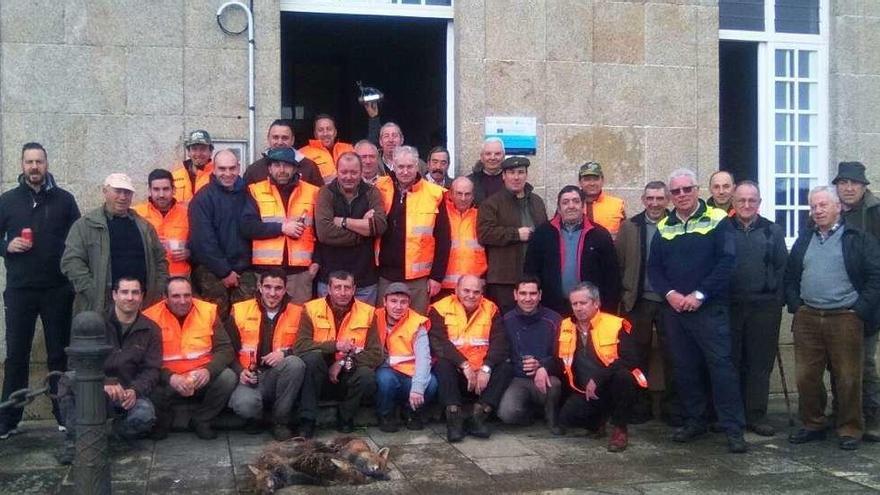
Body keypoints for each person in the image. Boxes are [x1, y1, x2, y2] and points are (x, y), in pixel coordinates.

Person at [647, 168, 747, 454]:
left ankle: (733, 428)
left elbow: (727, 262)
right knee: (685, 369)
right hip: (676, 310)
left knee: (721, 369)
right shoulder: (665, 225)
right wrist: (671, 295)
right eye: (675, 191)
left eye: (686, 189)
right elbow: (655, 268)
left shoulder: (717, 219)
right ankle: (695, 421)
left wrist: (700, 294)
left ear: (697, 189)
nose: (681, 195)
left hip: (709, 309)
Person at [785, 186, 880, 451]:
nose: (818, 211)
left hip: (845, 317)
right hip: (809, 317)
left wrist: (859, 310)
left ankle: (849, 428)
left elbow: (875, 277)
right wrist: (797, 306)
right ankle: (813, 424)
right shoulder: (805, 239)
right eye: (814, 206)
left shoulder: (857, 238)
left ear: (838, 207)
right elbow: (791, 276)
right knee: (806, 377)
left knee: (848, 376)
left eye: (823, 205)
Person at [0, 142, 80, 438]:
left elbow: (77, 239)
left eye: (39, 161)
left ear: (47, 164)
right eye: (29, 161)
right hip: (20, 290)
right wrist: (5, 245)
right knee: (17, 355)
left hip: (57, 289)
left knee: (58, 355)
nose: (34, 167)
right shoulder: (7, 201)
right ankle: (8, 419)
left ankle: (63, 414)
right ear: (22, 165)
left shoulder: (64, 200)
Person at [57, 277, 162, 464]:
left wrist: (134, 390)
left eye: (135, 292)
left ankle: (111, 435)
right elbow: (75, 363)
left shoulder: (151, 329)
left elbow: (152, 369)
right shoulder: (94, 324)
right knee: (67, 380)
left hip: (127, 395)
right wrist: (103, 383)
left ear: (142, 297)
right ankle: (74, 441)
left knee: (145, 416)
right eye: (124, 292)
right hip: (93, 389)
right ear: (114, 295)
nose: (129, 297)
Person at [548, 282, 643, 452]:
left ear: (596, 303)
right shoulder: (566, 326)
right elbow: (557, 359)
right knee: (567, 418)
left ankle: (620, 429)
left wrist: (598, 378)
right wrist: (542, 367)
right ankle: (599, 421)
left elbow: (631, 359)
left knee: (624, 377)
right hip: (585, 391)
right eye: (574, 304)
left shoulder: (615, 324)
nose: (578, 308)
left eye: (583, 303)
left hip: (612, 386)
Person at [616, 181, 679, 425]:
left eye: (659, 198)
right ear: (643, 200)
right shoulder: (630, 227)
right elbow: (619, 263)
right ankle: (639, 406)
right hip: (638, 301)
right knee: (635, 357)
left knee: (673, 356)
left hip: (670, 302)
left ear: (667, 201)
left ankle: (672, 409)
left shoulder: (678, 225)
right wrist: (625, 294)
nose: (654, 203)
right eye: (650, 198)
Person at [62, 173, 168, 316]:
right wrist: (92, 291)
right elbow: (71, 261)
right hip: (99, 307)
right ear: (105, 192)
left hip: (141, 307)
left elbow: (160, 260)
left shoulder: (145, 227)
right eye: (118, 191)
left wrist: (156, 290)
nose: (123, 197)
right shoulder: (85, 225)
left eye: (127, 192)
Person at [144, 277, 237, 440]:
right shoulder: (150, 317)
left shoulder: (207, 311)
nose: (183, 301)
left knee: (228, 377)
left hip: (200, 378)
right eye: (176, 296)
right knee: (149, 384)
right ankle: (163, 420)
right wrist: (170, 377)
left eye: (187, 295)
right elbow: (144, 360)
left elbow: (225, 349)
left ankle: (201, 419)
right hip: (167, 380)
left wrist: (208, 371)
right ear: (165, 296)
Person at [729, 181, 788, 437]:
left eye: (752, 200)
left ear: (759, 203)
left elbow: (782, 268)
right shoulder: (722, 229)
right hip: (730, 306)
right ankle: (732, 416)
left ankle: (756, 415)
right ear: (733, 203)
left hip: (764, 307)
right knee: (731, 362)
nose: (746, 205)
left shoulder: (772, 231)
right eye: (741, 200)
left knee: (759, 364)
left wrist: (777, 299)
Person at [295, 271, 382, 436]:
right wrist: (335, 346)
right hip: (318, 375)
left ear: (354, 289)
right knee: (311, 359)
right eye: (337, 287)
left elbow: (376, 354)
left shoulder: (368, 312)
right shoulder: (311, 308)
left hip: (348, 373)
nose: (342, 292)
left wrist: (342, 362)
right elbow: (300, 346)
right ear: (328, 288)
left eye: (347, 288)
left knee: (366, 375)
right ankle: (308, 419)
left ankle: (346, 418)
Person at [429, 275, 513, 442]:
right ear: (456, 290)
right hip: (457, 371)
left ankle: (479, 416)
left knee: (506, 367)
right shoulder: (439, 308)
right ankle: (454, 419)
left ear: (482, 293)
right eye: (466, 290)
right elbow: (439, 343)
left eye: (476, 292)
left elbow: (500, 342)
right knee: (442, 364)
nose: (471, 295)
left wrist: (486, 368)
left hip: (482, 374)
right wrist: (464, 365)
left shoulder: (491, 309)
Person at [226, 269, 307, 441]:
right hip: (250, 376)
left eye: (278, 288)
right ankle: (256, 418)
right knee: (244, 405)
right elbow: (227, 349)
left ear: (285, 289)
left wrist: (285, 353)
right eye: (268, 287)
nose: (272, 293)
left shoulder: (299, 312)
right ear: (259, 287)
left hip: (279, 375)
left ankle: (280, 422)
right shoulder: (240, 310)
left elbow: (307, 346)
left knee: (294, 363)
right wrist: (240, 371)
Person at [833, 161, 880, 440]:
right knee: (836, 363)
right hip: (835, 304)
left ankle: (871, 416)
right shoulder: (827, 212)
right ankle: (842, 414)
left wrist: (865, 305)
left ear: (864, 187)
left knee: (865, 363)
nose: (849, 188)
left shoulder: (875, 214)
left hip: (868, 303)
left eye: (854, 183)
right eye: (843, 183)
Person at [524, 185, 621, 316]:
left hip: (589, 309)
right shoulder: (543, 233)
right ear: (558, 208)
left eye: (576, 201)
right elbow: (531, 271)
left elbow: (611, 277)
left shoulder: (600, 235)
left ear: (583, 206)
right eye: (565, 202)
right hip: (551, 308)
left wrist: (608, 311)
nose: (571, 206)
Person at [375, 146, 451, 313]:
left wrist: (437, 277)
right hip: (385, 274)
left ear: (417, 166)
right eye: (400, 167)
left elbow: (443, 239)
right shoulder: (379, 187)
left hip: (418, 278)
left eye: (409, 166)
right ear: (393, 165)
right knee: (383, 325)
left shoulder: (434, 193)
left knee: (416, 326)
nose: (405, 171)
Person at [241, 147, 320, 304]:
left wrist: (317, 262)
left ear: (295, 168)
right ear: (269, 168)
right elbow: (247, 227)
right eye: (276, 165)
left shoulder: (313, 192)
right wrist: (282, 228)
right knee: (265, 322)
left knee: (296, 323)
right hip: (265, 273)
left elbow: (321, 231)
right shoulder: (255, 191)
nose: (282, 170)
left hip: (300, 274)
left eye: (287, 165)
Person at [314, 152, 388, 305]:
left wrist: (343, 222)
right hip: (329, 277)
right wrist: (363, 229)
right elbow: (325, 233)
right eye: (344, 172)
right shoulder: (325, 193)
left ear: (361, 172)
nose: (349, 177)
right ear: (337, 170)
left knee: (362, 326)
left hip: (364, 278)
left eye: (354, 172)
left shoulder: (372, 193)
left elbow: (380, 225)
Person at [188, 149, 256, 316]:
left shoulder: (248, 194)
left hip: (243, 270)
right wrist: (225, 272)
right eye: (222, 169)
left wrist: (238, 269)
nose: (227, 173)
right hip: (211, 270)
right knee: (215, 320)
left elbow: (252, 228)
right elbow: (203, 241)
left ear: (239, 167)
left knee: (246, 318)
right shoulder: (202, 199)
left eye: (232, 168)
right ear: (214, 169)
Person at [477, 156, 548, 312]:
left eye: (520, 172)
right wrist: (516, 234)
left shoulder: (537, 202)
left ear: (526, 175)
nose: (516, 177)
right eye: (511, 173)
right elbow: (484, 233)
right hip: (504, 279)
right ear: (503, 176)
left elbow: (545, 234)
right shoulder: (491, 203)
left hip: (533, 277)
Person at [496, 276, 564, 434]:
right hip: (518, 379)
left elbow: (562, 355)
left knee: (554, 385)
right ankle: (532, 414)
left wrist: (543, 366)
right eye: (523, 293)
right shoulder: (506, 320)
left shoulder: (555, 320)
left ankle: (552, 415)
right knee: (507, 414)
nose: (528, 298)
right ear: (515, 295)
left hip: (545, 377)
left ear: (540, 295)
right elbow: (501, 352)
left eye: (533, 294)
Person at [374, 282, 438, 432]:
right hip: (386, 369)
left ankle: (411, 412)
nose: (398, 307)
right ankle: (385, 415)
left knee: (432, 383)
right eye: (393, 301)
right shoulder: (374, 317)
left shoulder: (417, 323)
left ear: (409, 303)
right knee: (385, 380)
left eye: (403, 302)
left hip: (410, 373)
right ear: (385, 302)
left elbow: (424, 358)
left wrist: (417, 388)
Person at [133, 169, 191, 277]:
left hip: (179, 279)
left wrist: (190, 253)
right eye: (156, 189)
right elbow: (127, 245)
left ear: (173, 190)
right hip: (148, 277)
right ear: (149, 190)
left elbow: (200, 243)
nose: (161, 194)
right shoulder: (136, 214)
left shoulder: (188, 213)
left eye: (165, 189)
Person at [440, 177, 487, 296]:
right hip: (444, 285)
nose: (463, 198)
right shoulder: (441, 215)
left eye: (467, 194)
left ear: (473, 196)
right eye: (459, 193)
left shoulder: (481, 217)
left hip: (474, 286)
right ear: (451, 194)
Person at [243, 119, 323, 186]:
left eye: (285, 138)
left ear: (292, 140)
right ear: (268, 139)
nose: (280, 142)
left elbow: (320, 198)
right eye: (275, 137)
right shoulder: (254, 170)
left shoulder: (309, 167)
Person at [298, 114, 355, 184]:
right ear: (315, 134)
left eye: (329, 129)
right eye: (320, 130)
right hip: (320, 193)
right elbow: (301, 182)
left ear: (335, 132)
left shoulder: (349, 148)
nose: (325, 133)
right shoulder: (303, 153)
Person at [577, 162, 627, 239]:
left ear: (602, 180)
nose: (592, 183)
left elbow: (625, 237)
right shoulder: (570, 205)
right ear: (580, 182)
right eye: (587, 179)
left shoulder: (617, 205)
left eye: (596, 179)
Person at [172, 130, 215, 204]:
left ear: (210, 152)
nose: (198, 154)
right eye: (194, 149)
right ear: (188, 152)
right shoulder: (174, 176)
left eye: (203, 149)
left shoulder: (217, 176)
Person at [468, 138, 505, 205]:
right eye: (488, 154)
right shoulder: (469, 182)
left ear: (503, 156)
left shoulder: (512, 181)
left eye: (497, 154)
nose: (493, 158)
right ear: (481, 157)